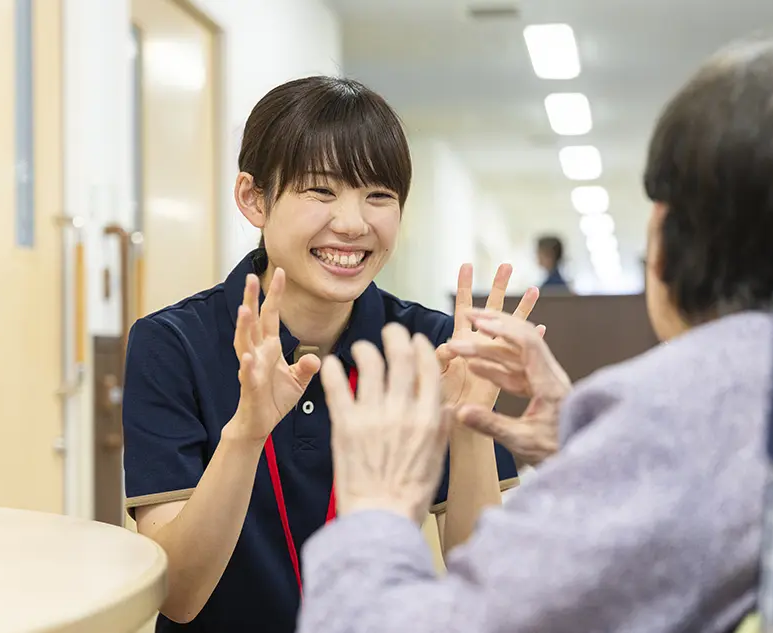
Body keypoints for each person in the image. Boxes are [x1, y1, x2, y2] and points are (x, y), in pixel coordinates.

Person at [294, 38, 773, 633]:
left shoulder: (679, 418)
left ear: (663, 238)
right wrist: (591, 444)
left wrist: (376, 508)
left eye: (377, 195)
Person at [121, 76, 535, 632]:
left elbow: (485, 588)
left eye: (379, 196)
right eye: (321, 191)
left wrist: (470, 427)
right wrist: (245, 433)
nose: (353, 223)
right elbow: (179, 597)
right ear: (254, 198)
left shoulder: (431, 347)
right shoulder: (172, 344)